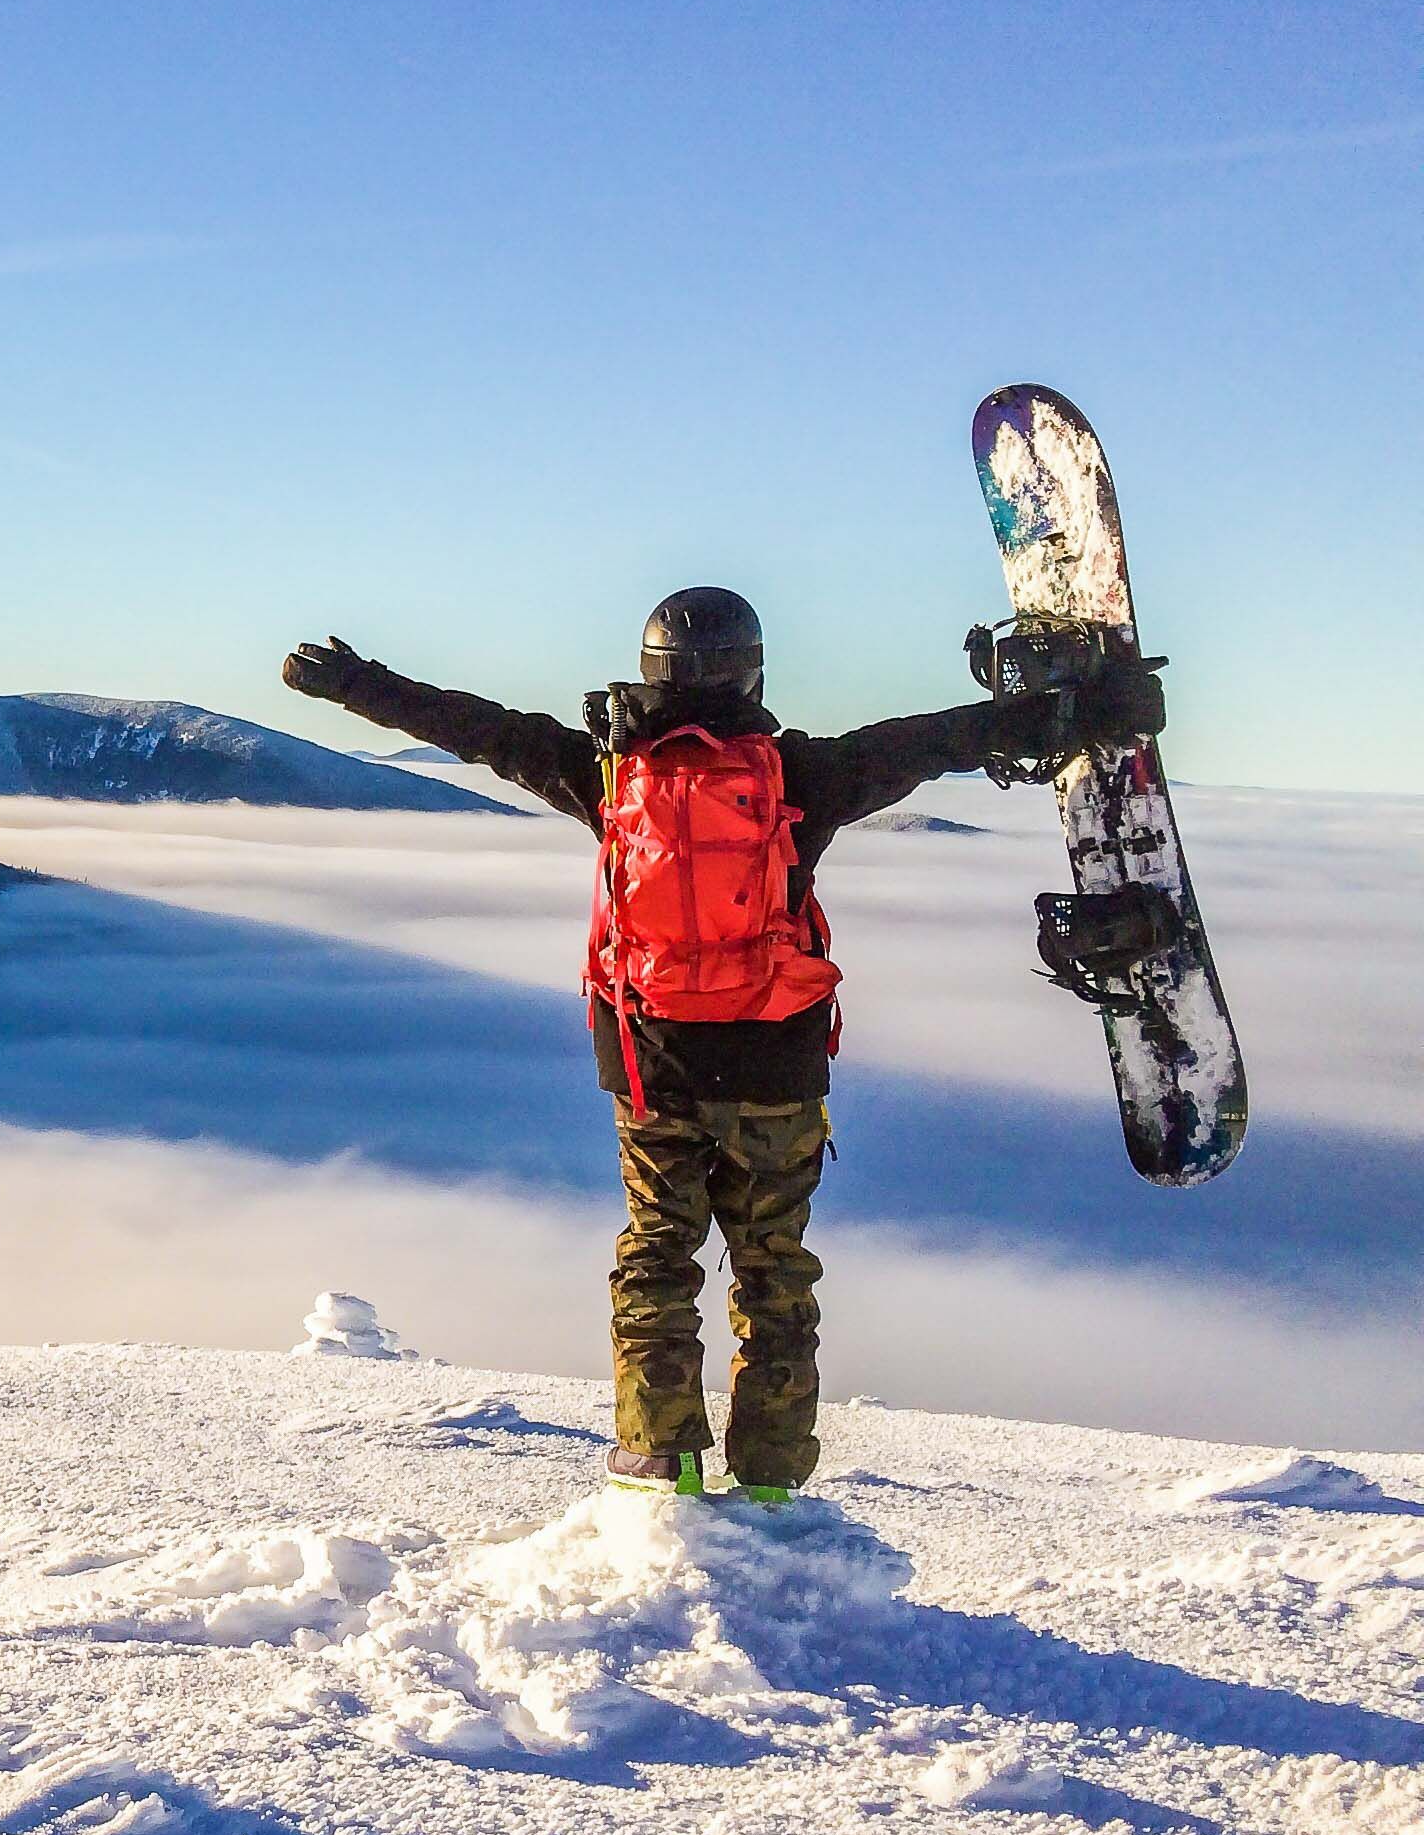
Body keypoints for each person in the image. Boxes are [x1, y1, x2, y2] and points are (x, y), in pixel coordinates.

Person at [281, 588, 1162, 1502]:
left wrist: (355, 683)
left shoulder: (608, 772)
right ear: (754, 669)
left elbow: (482, 731)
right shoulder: (796, 776)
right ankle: (773, 1474)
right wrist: (1082, 711)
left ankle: (662, 1462)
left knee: (657, 1252)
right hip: (777, 1063)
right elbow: (933, 739)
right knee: (773, 1264)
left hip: (651, 1063)